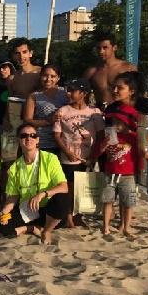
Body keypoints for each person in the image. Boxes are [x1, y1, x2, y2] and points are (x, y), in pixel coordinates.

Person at [104, 71, 148, 233]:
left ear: (131, 90)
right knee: (123, 185)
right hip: (124, 151)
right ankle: (123, 221)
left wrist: (142, 146)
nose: (115, 90)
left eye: (120, 88)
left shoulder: (146, 105)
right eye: (114, 87)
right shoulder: (112, 108)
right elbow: (110, 132)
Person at [0, 123, 69, 244]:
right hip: (28, 210)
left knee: (63, 199)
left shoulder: (50, 158)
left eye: (33, 135)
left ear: (37, 140)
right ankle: (30, 228)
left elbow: (64, 186)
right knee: (1, 226)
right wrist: (3, 212)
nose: (28, 138)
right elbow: (13, 197)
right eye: (24, 136)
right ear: (19, 141)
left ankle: (46, 231)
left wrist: (42, 194)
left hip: (49, 210)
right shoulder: (15, 167)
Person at [53, 79, 104, 227]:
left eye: (72, 90)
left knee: (82, 187)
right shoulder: (62, 111)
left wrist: (93, 156)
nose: (68, 93)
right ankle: (68, 216)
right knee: (69, 187)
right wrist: (67, 152)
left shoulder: (94, 112)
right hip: (69, 157)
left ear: (83, 93)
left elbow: (100, 136)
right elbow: (57, 135)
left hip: (88, 157)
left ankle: (78, 215)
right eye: (68, 90)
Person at [91, 104, 140, 236]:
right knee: (108, 200)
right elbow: (97, 153)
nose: (115, 124)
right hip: (110, 173)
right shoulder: (108, 136)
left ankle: (126, 227)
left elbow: (140, 154)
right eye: (114, 121)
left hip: (128, 174)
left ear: (127, 123)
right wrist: (104, 144)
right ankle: (106, 226)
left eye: (119, 121)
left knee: (128, 202)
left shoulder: (133, 137)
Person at [22, 64, 68, 154]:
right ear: (40, 76)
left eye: (53, 76)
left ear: (58, 78)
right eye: (45, 75)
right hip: (43, 142)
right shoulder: (34, 96)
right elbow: (27, 120)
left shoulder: (65, 93)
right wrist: (48, 121)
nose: (48, 79)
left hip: (64, 143)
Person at [83, 33, 137, 108]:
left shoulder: (128, 68)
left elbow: (138, 94)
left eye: (105, 48)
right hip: (101, 112)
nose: (101, 51)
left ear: (114, 48)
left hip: (123, 112)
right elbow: (83, 96)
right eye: (98, 48)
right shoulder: (91, 71)